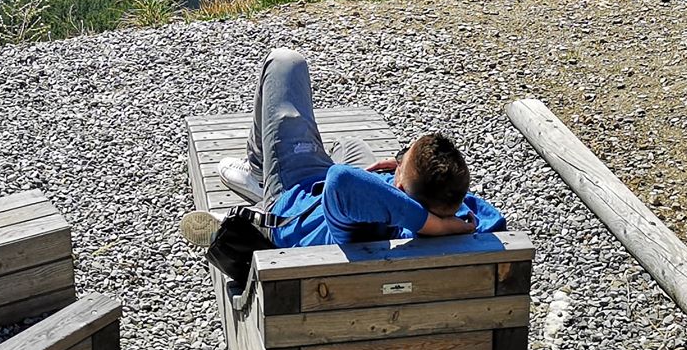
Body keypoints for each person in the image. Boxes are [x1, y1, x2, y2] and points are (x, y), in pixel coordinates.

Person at [184, 47, 505, 252]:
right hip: (346, 194)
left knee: (285, 63)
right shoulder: (459, 212)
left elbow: (340, 181)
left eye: (401, 159)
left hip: (298, 194)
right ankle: (273, 168)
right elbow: (493, 219)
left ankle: (260, 172)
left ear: (401, 190)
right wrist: (397, 172)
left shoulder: (363, 228)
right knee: (352, 146)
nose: (397, 160)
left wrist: (429, 224)